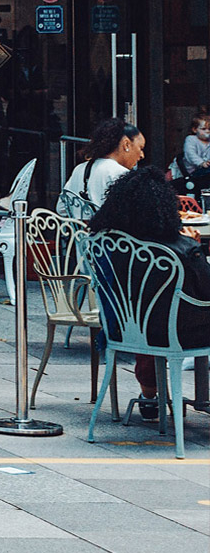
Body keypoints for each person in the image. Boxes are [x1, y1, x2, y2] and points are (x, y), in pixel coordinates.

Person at [88, 166, 210, 421]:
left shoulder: (108, 242)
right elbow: (204, 289)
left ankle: (150, 394)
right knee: (171, 311)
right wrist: (194, 247)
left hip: (120, 327)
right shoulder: (178, 248)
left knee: (150, 312)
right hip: (178, 330)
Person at [59, 118, 143, 217]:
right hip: (110, 232)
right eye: (140, 148)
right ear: (126, 144)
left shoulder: (79, 169)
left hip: (80, 232)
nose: (142, 155)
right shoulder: (121, 174)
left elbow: (61, 208)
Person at [176, 116, 210, 188]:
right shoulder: (191, 139)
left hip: (203, 172)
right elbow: (190, 154)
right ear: (195, 130)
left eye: (209, 129)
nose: (207, 131)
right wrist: (201, 163)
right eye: (204, 129)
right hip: (188, 170)